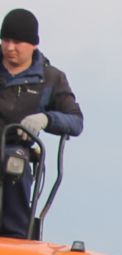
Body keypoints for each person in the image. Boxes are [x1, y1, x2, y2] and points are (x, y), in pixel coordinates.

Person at [0, 10, 81, 241]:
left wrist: (46, 119)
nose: (10, 47)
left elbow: (76, 121)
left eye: (17, 42)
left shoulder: (51, 78)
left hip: (16, 150)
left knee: (14, 161)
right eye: (6, 40)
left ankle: (15, 235)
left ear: (33, 44)